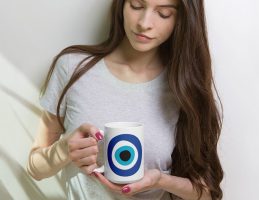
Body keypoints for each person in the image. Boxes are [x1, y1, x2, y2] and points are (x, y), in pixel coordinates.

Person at [27, 0, 224, 199]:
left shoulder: (184, 88)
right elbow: (35, 168)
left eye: (164, 13)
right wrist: (64, 149)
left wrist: (160, 180)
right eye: (137, 5)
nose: (144, 23)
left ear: (181, 19)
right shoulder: (72, 67)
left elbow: (207, 194)